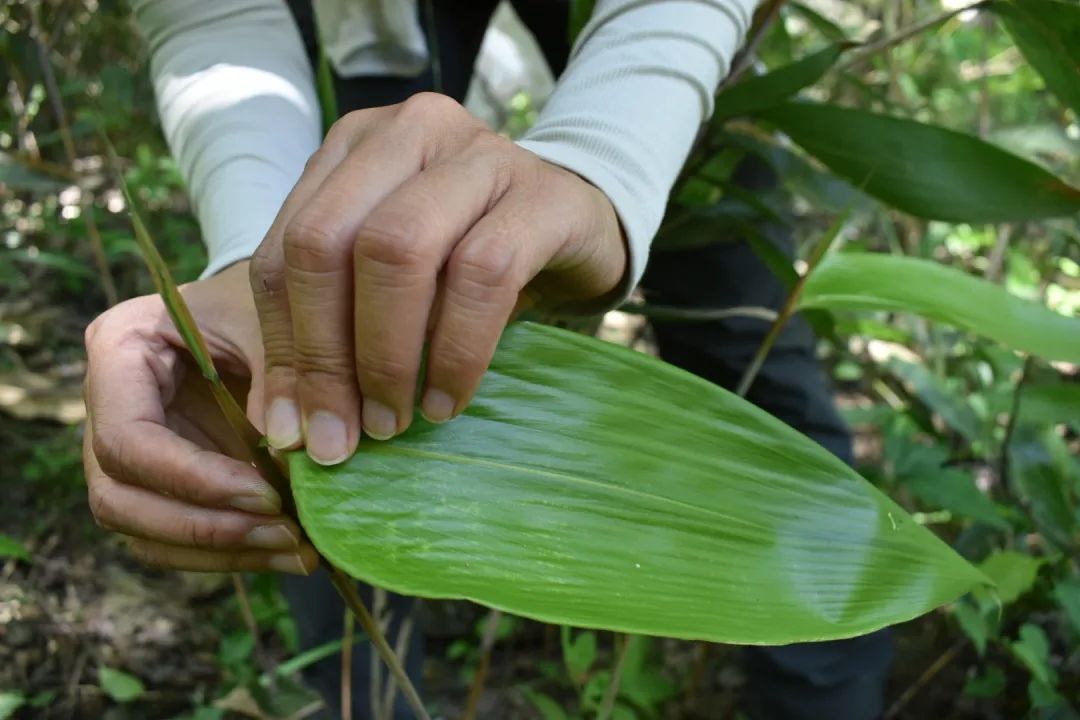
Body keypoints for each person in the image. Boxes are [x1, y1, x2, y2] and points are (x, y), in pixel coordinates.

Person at [82, 1, 893, 717]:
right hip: (365, 24)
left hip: (665, 34)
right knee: (326, 387)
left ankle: (829, 688)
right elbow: (216, 17)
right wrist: (258, 261)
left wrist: (601, 166)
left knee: (751, 359)